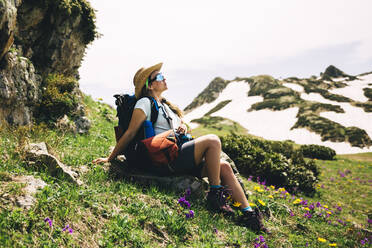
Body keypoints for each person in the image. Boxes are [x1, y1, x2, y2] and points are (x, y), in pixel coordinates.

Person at [92, 63, 268, 233]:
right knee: (213, 140)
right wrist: (110, 157)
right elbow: (130, 133)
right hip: (162, 157)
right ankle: (215, 194)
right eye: (159, 77)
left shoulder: (168, 107)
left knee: (225, 167)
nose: (164, 78)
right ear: (150, 85)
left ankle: (249, 215)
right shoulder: (144, 103)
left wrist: (181, 128)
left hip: (177, 153)